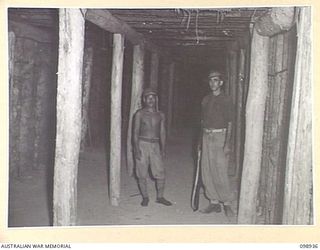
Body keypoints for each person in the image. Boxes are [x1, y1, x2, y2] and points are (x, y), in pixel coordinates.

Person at [199, 70, 235, 217]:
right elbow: (201, 121)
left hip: (220, 136)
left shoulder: (226, 99)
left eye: (215, 80)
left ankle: (226, 203)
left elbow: (230, 122)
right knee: (206, 170)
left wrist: (227, 143)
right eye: (210, 80)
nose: (212, 83)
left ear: (221, 83)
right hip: (206, 135)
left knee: (220, 170)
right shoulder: (206, 100)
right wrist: (200, 142)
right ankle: (214, 202)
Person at [133, 87, 172, 207]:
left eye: (153, 97)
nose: (151, 100)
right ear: (144, 100)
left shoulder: (160, 115)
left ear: (156, 99)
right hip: (142, 144)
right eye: (148, 97)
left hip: (155, 145)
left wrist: (163, 149)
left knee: (160, 172)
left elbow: (162, 133)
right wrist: (136, 149)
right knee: (141, 173)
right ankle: (145, 197)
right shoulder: (140, 114)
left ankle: (160, 197)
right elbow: (135, 133)